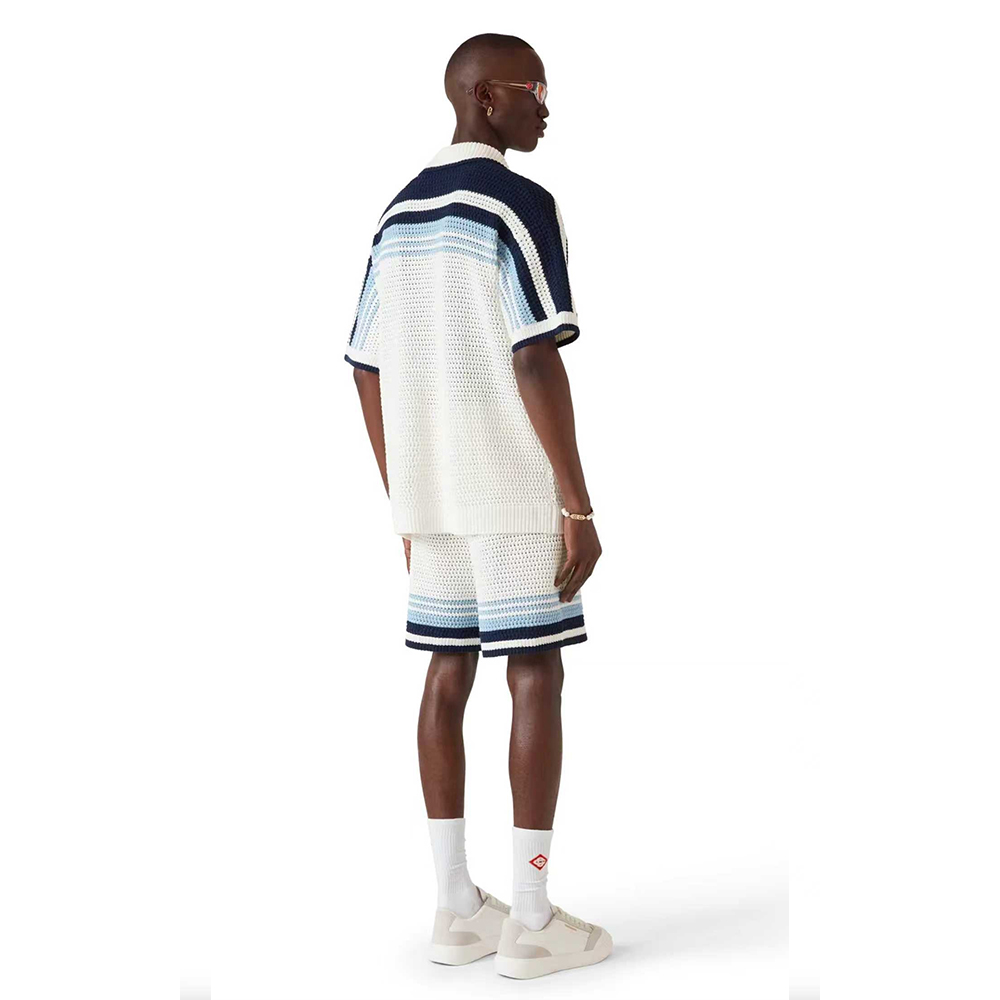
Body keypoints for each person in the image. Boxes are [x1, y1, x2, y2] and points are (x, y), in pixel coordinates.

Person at [345, 33, 611, 980]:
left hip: (433, 495)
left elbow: (364, 367)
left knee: (446, 671)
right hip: (508, 486)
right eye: (536, 89)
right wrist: (576, 505)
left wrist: (404, 502)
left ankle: (456, 909)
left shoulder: (398, 214)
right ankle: (532, 919)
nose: (547, 107)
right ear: (487, 97)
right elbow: (535, 355)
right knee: (534, 672)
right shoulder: (518, 203)